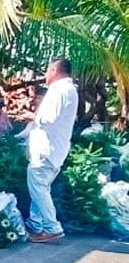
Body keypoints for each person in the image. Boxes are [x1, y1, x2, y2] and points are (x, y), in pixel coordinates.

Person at [17, 59, 79, 243]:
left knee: (38, 188)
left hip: (47, 150)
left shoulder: (60, 90)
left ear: (54, 70)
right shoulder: (67, 90)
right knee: (41, 188)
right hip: (52, 149)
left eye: (47, 70)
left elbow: (49, 118)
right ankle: (36, 225)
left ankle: (52, 227)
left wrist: (31, 116)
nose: (45, 75)